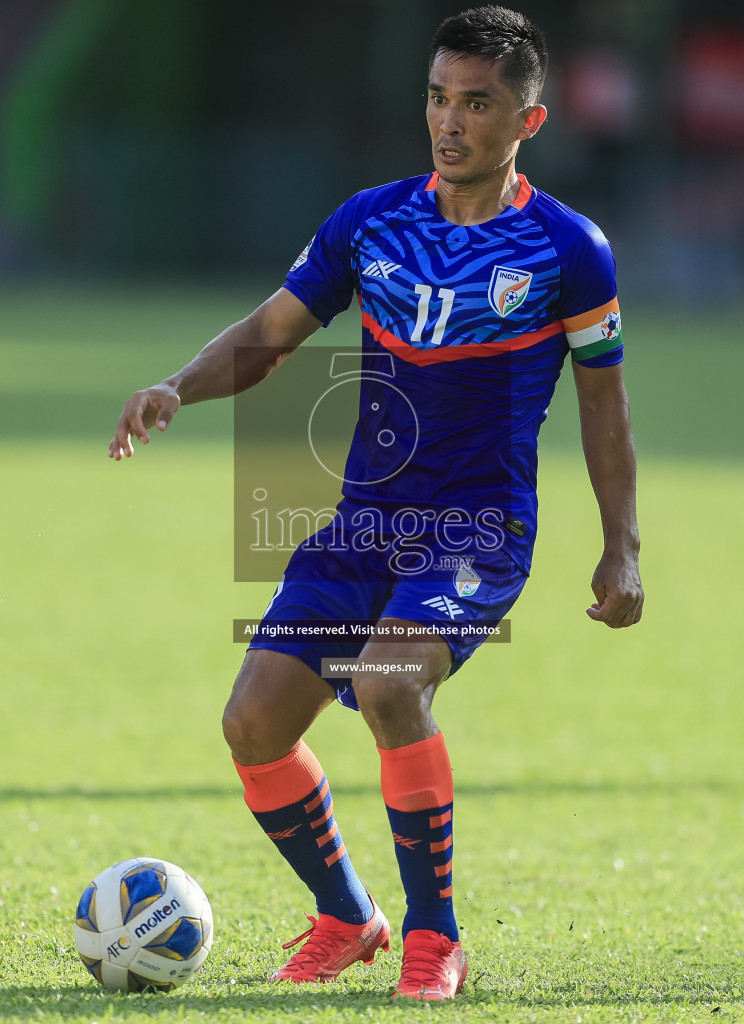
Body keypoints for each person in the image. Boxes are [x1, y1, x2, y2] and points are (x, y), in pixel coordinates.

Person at [109, 4, 644, 1001]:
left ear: (527, 120)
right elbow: (270, 334)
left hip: (479, 532)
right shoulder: (371, 222)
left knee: (393, 681)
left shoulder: (570, 250)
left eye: (478, 103)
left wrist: (624, 547)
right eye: (439, 96)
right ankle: (348, 916)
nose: (450, 120)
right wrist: (178, 384)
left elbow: (603, 407)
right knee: (254, 725)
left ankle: (435, 940)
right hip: (363, 527)